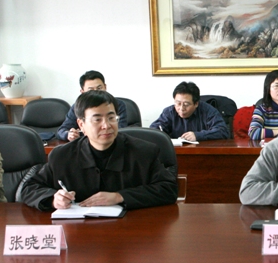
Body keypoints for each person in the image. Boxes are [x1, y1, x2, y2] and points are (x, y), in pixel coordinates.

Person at [21, 90, 177, 211]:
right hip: (79, 233)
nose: (106, 125)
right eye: (97, 119)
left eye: (111, 118)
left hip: (130, 232)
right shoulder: (62, 156)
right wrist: (53, 199)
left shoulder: (143, 152)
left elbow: (168, 189)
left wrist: (120, 197)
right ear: (81, 125)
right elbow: (29, 188)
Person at [57, 70, 128, 141]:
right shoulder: (77, 107)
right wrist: (69, 134)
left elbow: (121, 130)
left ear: (105, 87)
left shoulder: (117, 104)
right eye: (91, 90)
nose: (96, 92)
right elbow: (62, 130)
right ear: (82, 92)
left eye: (99, 88)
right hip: (85, 144)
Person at [150, 81, 229, 141]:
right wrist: (157, 132)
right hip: (176, 153)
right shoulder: (169, 112)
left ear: (196, 103)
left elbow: (223, 131)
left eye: (186, 104)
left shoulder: (208, 111)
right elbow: (154, 129)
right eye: (178, 103)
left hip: (204, 152)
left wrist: (198, 135)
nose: (181, 108)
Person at [249, 69, 278, 140]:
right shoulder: (261, 110)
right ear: (268, 89)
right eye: (276, 86)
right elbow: (253, 133)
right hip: (269, 146)